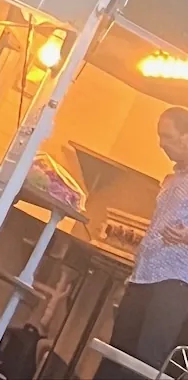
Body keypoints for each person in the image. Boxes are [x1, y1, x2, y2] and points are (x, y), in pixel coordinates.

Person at [98, 109, 188, 378]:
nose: (161, 144)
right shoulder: (176, 177)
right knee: (118, 352)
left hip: (174, 281)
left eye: (167, 137)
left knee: (145, 362)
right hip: (144, 276)